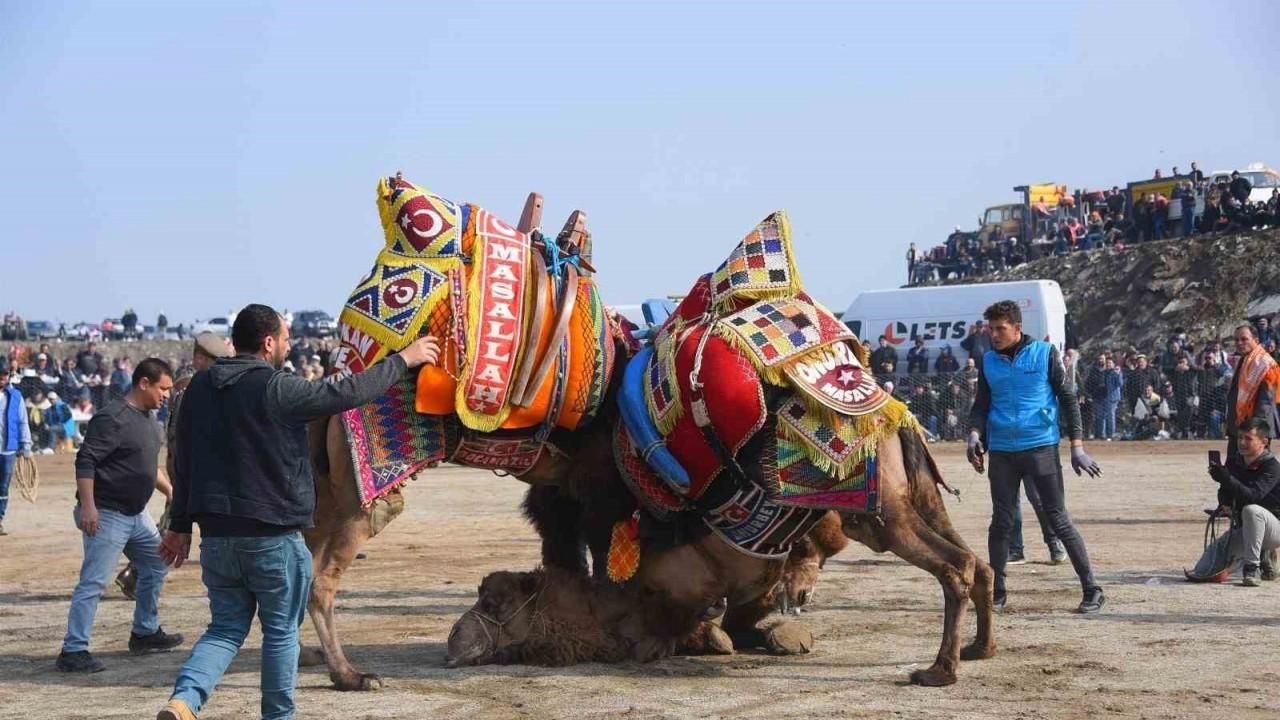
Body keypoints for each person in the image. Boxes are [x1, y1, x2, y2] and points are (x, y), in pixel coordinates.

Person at [156, 304, 441, 720]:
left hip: (217, 538)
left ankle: (184, 701)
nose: (288, 346)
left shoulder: (198, 389)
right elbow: (344, 394)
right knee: (281, 634)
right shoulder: (276, 387)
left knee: (224, 629)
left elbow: (183, 460)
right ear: (268, 342)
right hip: (271, 537)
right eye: (286, 339)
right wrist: (404, 359)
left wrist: (179, 527)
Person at [966, 300, 1105, 613]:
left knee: (1057, 518)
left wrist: (1077, 446)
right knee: (1001, 522)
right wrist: (974, 436)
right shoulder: (988, 361)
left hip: (1041, 446)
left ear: (1018, 328)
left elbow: (1068, 399)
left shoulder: (1044, 354)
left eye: (1001, 329)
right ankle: (996, 592)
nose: (994, 335)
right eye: (991, 329)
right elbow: (981, 406)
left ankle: (1092, 588)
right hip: (1002, 451)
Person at [56, 358, 180, 673]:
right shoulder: (111, 418)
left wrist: (168, 490)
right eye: (163, 388)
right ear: (144, 383)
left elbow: (147, 466)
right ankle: (73, 650)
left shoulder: (149, 420)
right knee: (94, 582)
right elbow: (86, 462)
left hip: (136, 515)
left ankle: (145, 632)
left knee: (156, 564)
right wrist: (88, 507)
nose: (166, 395)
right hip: (107, 513)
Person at [116, 334, 233, 601]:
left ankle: (135, 573)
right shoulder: (190, 388)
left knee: (170, 523)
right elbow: (184, 436)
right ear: (201, 358)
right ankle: (137, 573)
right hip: (189, 470)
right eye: (215, 361)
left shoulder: (185, 387)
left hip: (184, 468)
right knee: (173, 528)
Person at [1200, 418, 1280, 585]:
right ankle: (1251, 557)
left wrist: (1227, 479)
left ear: (1264, 442)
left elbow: (1253, 497)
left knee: (1252, 510)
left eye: (1248, 438)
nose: (1242, 442)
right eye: (1239, 437)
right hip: (1246, 529)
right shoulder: (1234, 462)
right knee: (1203, 569)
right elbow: (1224, 493)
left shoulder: (1272, 467)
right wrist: (1226, 504)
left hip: (1274, 529)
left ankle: (1251, 568)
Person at [1225, 324, 1280, 461]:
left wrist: (1254, 430)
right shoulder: (1244, 360)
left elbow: (1266, 402)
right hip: (1238, 428)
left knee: (1255, 474)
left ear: (1255, 339)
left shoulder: (1266, 364)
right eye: (1236, 340)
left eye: (1244, 339)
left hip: (1255, 430)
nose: (1239, 343)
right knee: (1232, 472)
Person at [0, 363, 34, 535]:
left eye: (4, 374)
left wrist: (26, 445)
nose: (2, 377)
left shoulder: (15, 396)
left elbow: (23, 421)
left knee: (3, 486)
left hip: (8, 449)